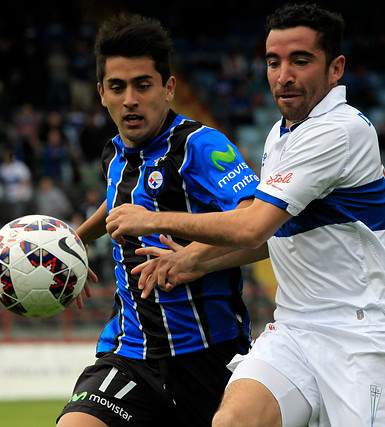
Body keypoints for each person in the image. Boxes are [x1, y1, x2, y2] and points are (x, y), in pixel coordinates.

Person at [105, 4, 385, 427]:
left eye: (300, 60)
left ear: (335, 69)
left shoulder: (338, 130)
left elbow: (251, 224)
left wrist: (151, 219)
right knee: (232, 422)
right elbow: (269, 238)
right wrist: (192, 259)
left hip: (364, 339)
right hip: (296, 330)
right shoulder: (282, 134)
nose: (284, 75)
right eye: (273, 62)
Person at [56, 13, 260, 427]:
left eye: (142, 85)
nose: (130, 98)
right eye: (117, 87)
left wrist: (180, 247)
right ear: (101, 94)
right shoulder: (114, 152)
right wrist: (72, 245)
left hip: (210, 353)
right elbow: (117, 206)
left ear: (168, 88)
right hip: (131, 354)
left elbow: (256, 223)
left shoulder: (202, 146)